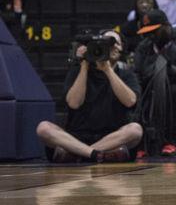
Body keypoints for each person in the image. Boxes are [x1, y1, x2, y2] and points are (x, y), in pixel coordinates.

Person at [36, 30, 143, 163]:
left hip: (111, 138)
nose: (113, 46)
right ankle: (95, 154)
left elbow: (130, 101)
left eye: (116, 43)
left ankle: (80, 153)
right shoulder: (78, 70)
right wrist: (84, 66)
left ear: (121, 49)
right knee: (43, 128)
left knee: (135, 130)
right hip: (77, 137)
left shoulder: (126, 75)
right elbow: (74, 103)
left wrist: (108, 70)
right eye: (108, 42)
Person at [133, 10, 176, 156]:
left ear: (166, 26)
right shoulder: (144, 46)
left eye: (154, 31)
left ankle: (171, 142)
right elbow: (137, 73)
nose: (150, 36)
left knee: (175, 91)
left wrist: (170, 69)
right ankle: (141, 143)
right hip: (153, 90)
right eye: (147, 32)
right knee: (137, 91)